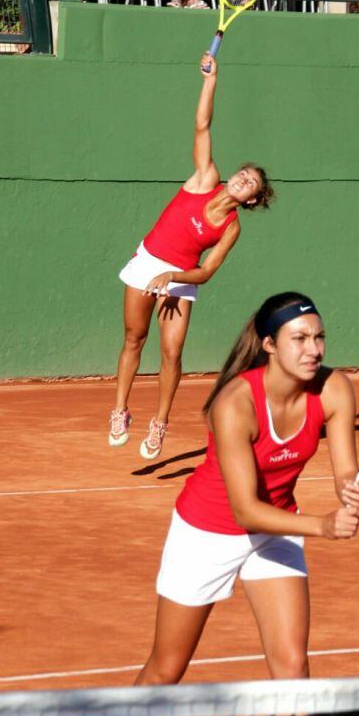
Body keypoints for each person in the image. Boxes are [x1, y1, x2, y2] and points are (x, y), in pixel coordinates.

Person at [92, 291, 359, 716]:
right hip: (208, 529)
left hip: (276, 532)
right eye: (299, 339)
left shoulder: (336, 389)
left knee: (293, 668)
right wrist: (323, 526)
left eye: (319, 337)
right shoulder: (234, 403)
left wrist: (355, 492)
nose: (314, 349)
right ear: (269, 346)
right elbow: (244, 509)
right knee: (166, 667)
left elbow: (345, 469)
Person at [111, 53, 274, 461]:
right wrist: (210, 80)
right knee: (134, 338)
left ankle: (160, 423)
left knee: (172, 353)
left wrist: (174, 278)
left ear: (251, 198)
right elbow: (202, 125)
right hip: (148, 260)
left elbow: (207, 270)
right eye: (242, 173)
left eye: (249, 183)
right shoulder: (203, 179)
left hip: (182, 277)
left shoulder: (231, 227)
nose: (241, 179)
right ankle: (119, 410)